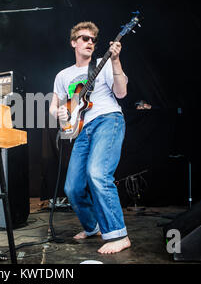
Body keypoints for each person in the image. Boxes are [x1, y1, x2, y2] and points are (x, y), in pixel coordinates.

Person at [49, 21, 131, 254]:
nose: (90, 43)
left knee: (98, 174)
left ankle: (119, 234)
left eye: (93, 40)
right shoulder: (63, 75)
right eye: (85, 38)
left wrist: (115, 60)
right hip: (82, 129)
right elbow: (54, 107)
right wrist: (61, 113)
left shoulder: (103, 65)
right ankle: (92, 226)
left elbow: (122, 93)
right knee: (72, 188)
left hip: (108, 120)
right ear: (74, 42)